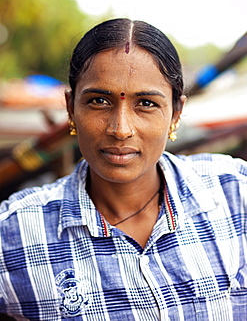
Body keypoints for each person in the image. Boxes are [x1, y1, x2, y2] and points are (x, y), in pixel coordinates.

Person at [0, 18, 246, 321]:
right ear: (70, 108)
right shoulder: (13, 235)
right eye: (99, 101)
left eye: (146, 103)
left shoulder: (236, 193)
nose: (121, 129)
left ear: (176, 113)